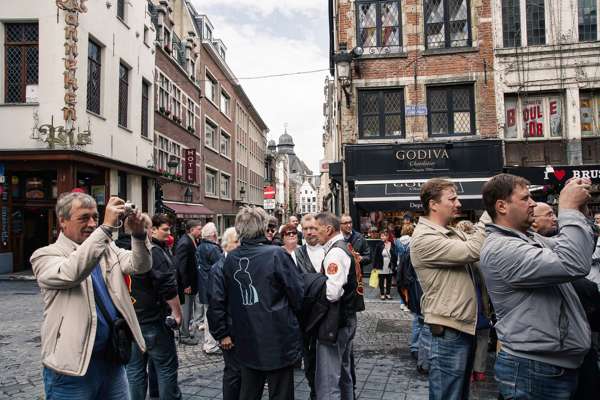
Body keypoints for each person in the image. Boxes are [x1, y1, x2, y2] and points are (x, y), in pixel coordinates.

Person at [480, 174, 595, 400]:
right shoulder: (501, 248)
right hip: (534, 370)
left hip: (548, 366)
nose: (533, 203)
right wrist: (568, 208)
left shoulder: (529, 238)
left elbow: (579, 251)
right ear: (502, 206)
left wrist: (578, 211)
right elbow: (573, 263)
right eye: (525, 198)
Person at [31, 193, 151, 399]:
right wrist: (105, 228)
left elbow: (140, 265)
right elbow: (72, 272)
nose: (92, 223)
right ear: (62, 220)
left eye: (95, 217)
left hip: (112, 361)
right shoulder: (45, 255)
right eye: (84, 218)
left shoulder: (106, 248)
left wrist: (139, 236)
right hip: (72, 369)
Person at [209, 206, 303, 400]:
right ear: (263, 227)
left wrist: (222, 332)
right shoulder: (277, 254)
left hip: (246, 337)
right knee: (280, 392)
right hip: (277, 337)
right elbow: (297, 294)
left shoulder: (231, 258)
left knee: (249, 391)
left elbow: (219, 299)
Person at [410, 178, 490, 400]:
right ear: (433, 204)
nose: (458, 203)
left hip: (461, 326)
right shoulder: (424, 238)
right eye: (452, 198)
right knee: (448, 395)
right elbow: (474, 249)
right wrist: (491, 207)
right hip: (449, 330)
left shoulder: (451, 231)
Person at [531, 201, 600, 399]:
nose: (555, 218)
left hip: (577, 338)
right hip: (552, 345)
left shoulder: (558, 240)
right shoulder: (532, 248)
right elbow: (573, 268)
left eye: (555, 214)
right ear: (533, 222)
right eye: (549, 214)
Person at [126, 213, 183, 400]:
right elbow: (167, 285)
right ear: (150, 230)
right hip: (153, 320)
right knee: (165, 367)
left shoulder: (126, 250)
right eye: (164, 229)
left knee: (135, 370)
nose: (168, 233)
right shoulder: (154, 252)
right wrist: (177, 314)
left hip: (133, 319)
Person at [314, 212, 359, 400]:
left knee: (327, 380)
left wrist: (315, 290)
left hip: (336, 322)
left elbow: (332, 293)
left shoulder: (335, 253)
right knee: (343, 372)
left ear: (328, 229)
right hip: (347, 319)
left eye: (317, 228)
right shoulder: (344, 247)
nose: (314, 233)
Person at [454, 220, 492, 383]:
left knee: (466, 338)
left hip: (467, 302)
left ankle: (468, 371)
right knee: (483, 337)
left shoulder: (459, 251)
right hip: (483, 301)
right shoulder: (483, 250)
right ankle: (480, 370)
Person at [207, 227, 241, 400]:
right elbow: (215, 303)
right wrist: (222, 334)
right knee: (233, 373)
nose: (240, 245)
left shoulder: (239, 264)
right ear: (226, 245)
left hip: (242, 329)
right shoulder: (219, 268)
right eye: (236, 242)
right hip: (230, 330)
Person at [293, 213, 325, 399]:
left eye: (313, 228)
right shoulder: (297, 254)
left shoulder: (330, 250)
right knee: (310, 360)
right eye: (306, 229)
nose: (310, 232)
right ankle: (314, 391)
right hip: (306, 317)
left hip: (328, 315)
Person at [196, 222, 223, 354]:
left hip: (204, 285)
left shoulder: (200, 247)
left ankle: (209, 343)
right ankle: (211, 344)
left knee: (208, 316)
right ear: (213, 235)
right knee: (212, 316)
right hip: (212, 286)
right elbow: (220, 268)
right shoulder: (213, 249)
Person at [175, 219, 202, 345]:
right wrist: (186, 284)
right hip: (186, 285)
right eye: (199, 228)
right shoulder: (185, 243)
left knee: (188, 310)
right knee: (185, 310)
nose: (200, 231)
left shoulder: (191, 241)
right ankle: (184, 335)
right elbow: (182, 266)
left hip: (190, 283)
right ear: (192, 230)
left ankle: (185, 331)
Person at [372, 230, 397, 300]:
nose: (382, 237)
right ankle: (382, 294)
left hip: (389, 265)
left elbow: (395, 255)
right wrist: (374, 266)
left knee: (389, 280)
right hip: (381, 264)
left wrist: (394, 264)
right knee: (381, 280)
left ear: (387, 236)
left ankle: (388, 293)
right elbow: (375, 256)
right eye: (381, 236)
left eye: (383, 236)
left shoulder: (392, 244)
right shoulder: (379, 245)